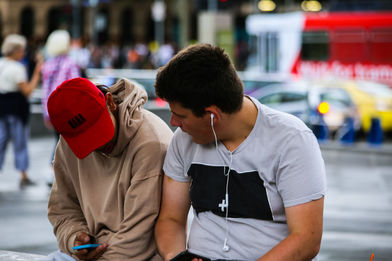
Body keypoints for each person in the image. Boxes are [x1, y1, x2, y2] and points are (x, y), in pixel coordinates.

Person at [154, 44, 327, 261]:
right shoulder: (183, 139)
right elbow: (170, 219)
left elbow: (306, 239)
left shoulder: (292, 140)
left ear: (211, 116)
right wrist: (177, 257)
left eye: (180, 116)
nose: (173, 122)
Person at [46, 77, 173, 260]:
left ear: (110, 102)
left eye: (98, 130)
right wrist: (75, 238)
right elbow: (62, 210)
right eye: (84, 140)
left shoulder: (152, 144)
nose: (97, 144)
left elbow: (139, 239)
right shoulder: (68, 144)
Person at [0, 34, 42, 187]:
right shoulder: (18, 68)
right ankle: (23, 174)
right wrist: (36, 74)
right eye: (21, 50)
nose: (23, 53)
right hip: (16, 108)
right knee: (20, 141)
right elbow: (27, 91)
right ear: (15, 51)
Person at [41, 30, 81, 186]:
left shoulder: (48, 64)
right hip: (67, 110)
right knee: (67, 141)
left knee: (58, 140)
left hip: (53, 109)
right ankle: (60, 172)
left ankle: (54, 171)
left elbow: (46, 90)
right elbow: (76, 87)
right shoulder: (70, 64)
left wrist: (46, 114)